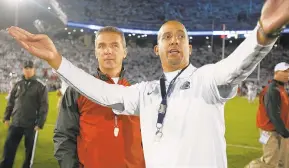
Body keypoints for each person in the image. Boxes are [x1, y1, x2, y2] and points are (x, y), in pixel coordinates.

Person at [7, 1, 289, 167]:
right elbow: (101, 92)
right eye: (167, 37)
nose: (174, 41)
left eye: (180, 36)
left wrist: (262, 34)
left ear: (190, 47)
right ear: (157, 49)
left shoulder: (208, 80)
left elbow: (236, 66)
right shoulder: (147, 93)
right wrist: (56, 59)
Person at [53, 26, 145, 168]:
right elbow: (64, 136)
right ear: (96, 52)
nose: (108, 51)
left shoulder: (139, 93)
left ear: (124, 52)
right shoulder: (77, 91)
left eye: (114, 45)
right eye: (101, 46)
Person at [0, 60, 48, 168]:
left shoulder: (40, 86)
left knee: (29, 152)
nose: (27, 70)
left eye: (30, 68)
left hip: (31, 125)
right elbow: (11, 102)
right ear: (23, 69)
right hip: (16, 122)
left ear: (33, 70)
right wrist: (7, 117)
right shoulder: (18, 84)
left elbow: (44, 106)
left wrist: (40, 123)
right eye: (25, 68)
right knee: (8, 148)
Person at [245, 62, 289, 168]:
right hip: (270, 131)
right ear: (277, 72)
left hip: (280, 130)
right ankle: (253, 166)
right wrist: (285, 132)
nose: (288, 74)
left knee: (283, 162)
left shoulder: (280, 88)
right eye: (285, 71)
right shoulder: (272, 89)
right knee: (271, 162)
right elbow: (273, 114)